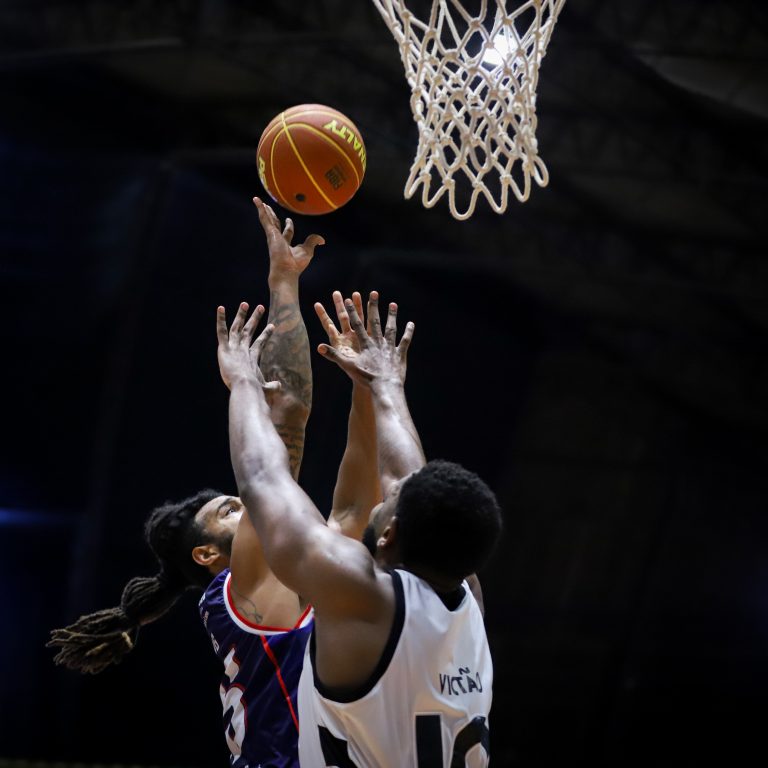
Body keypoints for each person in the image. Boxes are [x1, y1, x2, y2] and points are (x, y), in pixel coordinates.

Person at [47, 199, 380, 768]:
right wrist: (281, 287)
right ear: (207, 555)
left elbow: (351, 509)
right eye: (233, 510)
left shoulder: (289, 580)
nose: (250, 507)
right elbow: (287, 414)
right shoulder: (238, 589)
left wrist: (368, 389)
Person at [218, 291, 503, 767]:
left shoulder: (363, 596)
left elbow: (262, 478)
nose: (385, 490)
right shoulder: (466, 596)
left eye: (389, 502)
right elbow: (410, 482)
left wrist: (244, 381)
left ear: (389, 536)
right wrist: (385, 385)